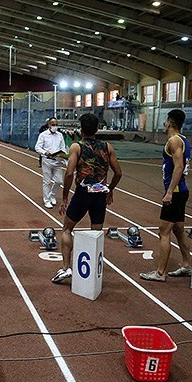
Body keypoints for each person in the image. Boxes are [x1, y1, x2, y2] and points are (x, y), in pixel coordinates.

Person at [52, 113, 123, 284]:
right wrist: (110, 189)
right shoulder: (107, 147)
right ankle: (92, 270)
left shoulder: (77, 147)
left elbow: (69, 173)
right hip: (100, 194)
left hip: (83, 193)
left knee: (67, 229)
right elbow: (118, 173)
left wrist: (64, 198)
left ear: (81, 129)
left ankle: (66, 268)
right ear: (97, 129)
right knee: (96, 233)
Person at [140, 109, 192, 282]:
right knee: (178, 230)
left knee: (163, 231)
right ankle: (187, 265)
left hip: (176, 192)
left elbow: (179, 167)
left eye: (165, 122)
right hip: (181, 190)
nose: (164, 125)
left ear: (169, 123)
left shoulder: (174, 141)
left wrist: (170, 191)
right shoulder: (183, 139)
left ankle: (160, 273)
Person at [34, 117, 67, 209]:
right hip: (47, 161)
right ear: (49, 125)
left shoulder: (60, 135)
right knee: (47, 182)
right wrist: (45, 152)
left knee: (59, 181)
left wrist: (62, 155)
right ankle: (47, 200)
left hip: (57, 161)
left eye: (56, 125)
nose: (55, 126)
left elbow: (63, 147)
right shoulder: (43, 135)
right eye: (53, 125)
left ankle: (52, 195)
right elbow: (37, 147)